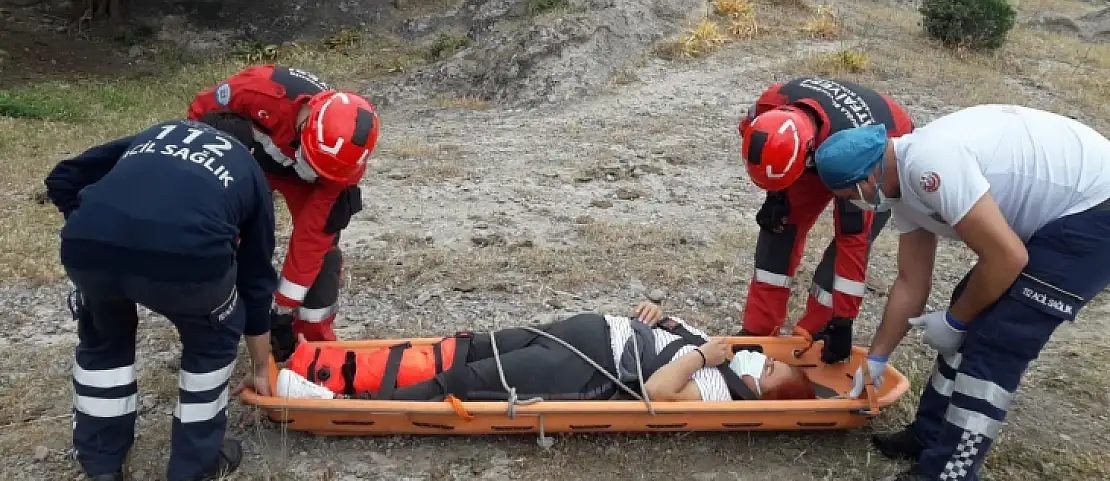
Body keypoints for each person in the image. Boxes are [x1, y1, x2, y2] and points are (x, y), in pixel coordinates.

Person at [811, 104, 1110, 481]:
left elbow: (1006, 257)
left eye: (847, 195)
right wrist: (878, 358)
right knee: (970, 303)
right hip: (1062, 211)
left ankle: (952, 470)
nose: (851, 203)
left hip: (1095, 211)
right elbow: (910, 281)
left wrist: (956, 322)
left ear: (866, 180)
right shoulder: (897, 183)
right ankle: (930, 435)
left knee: (997, 342)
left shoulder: (928, 165)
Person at [43, 112, 280, 481]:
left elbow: (63, 177)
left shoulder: (157, 133)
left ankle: (102, 465)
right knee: (214, 337)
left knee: (105, 340)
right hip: (187, 261)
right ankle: (195, 466)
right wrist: (262, 367)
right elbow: (256, 278)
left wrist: (93, 228)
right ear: (248, 147)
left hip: (89, 248)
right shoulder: (248, 169)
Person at [187, 65, 380, 358]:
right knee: (224, 235)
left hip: (306, 184)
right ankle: (215, 328)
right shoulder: (256, 91)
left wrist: (284, 305)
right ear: (306, 128)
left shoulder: (346, 163)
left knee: (322, 253)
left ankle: (311, 345)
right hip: (251, 163)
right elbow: (200, 120)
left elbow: (313, 233)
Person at [280, 300, 818, 403]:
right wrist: (656, 314)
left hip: (587, 369)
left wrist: (703, 358)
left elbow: (657, 391)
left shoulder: (719, 392)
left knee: (467, 386)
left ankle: (334, 405)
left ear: (768, 392)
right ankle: (329, 370)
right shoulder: (720, 354)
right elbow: (666, 333)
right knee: (463, 351)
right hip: (591, 330)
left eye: (768, 368)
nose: (759, 360)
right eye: (769, 357)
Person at [736, 76, 915, 363]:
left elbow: (852, 247)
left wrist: (843, 321)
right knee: (779, 230)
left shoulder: (858, 163)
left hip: (871, 155)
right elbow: (761, 151)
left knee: (841, 256)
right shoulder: (767, 106)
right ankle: (758, 331)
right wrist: (776, 195)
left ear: (808, 156)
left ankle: (816, 333)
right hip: (818, 139)